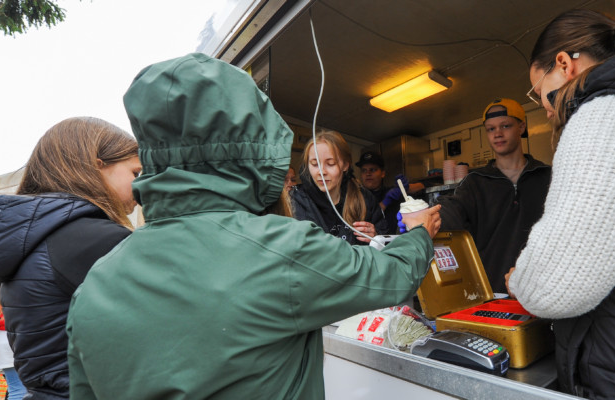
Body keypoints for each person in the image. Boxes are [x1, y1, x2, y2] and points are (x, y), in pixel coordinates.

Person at [65, 53, 441, 399]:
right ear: (256, 150)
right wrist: (420, 231)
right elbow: (392, 274)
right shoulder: (281, 249)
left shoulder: (94, 286)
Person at [505, 10, 615, 399]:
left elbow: (554, 284)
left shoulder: (605, 115)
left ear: (564, 63)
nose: (545, 106)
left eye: (538, 90)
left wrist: (518, 282)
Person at [0, 116, 139, 399]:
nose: (142, 186)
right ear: (97, 165)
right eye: (136, 172)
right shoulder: (95, 238)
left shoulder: (35, 236)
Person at [438, 97, 551, 293]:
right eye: (491, 129)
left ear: (521, 127)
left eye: (505, 126)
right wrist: (424, 216)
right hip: (492, 293)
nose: (497, 134)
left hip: (542, 289)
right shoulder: (474, 182)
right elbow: (452, 211)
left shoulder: (547, 177)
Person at [291, 131, 390, 245]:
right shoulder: (296, 200)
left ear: (345, 165)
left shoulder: (365, 198)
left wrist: (377, 238)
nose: (321, 171)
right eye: (314, 164)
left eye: (331, 163)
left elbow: (387, 243)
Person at [356, 150, 425, 227]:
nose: (368, 174)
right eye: (364, 171)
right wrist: (384, 203)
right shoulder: (357, 197)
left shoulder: (391, 192)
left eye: (372, 170)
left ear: (383, 173)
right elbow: (366, 220)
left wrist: (405, 187)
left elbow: (422, 186)